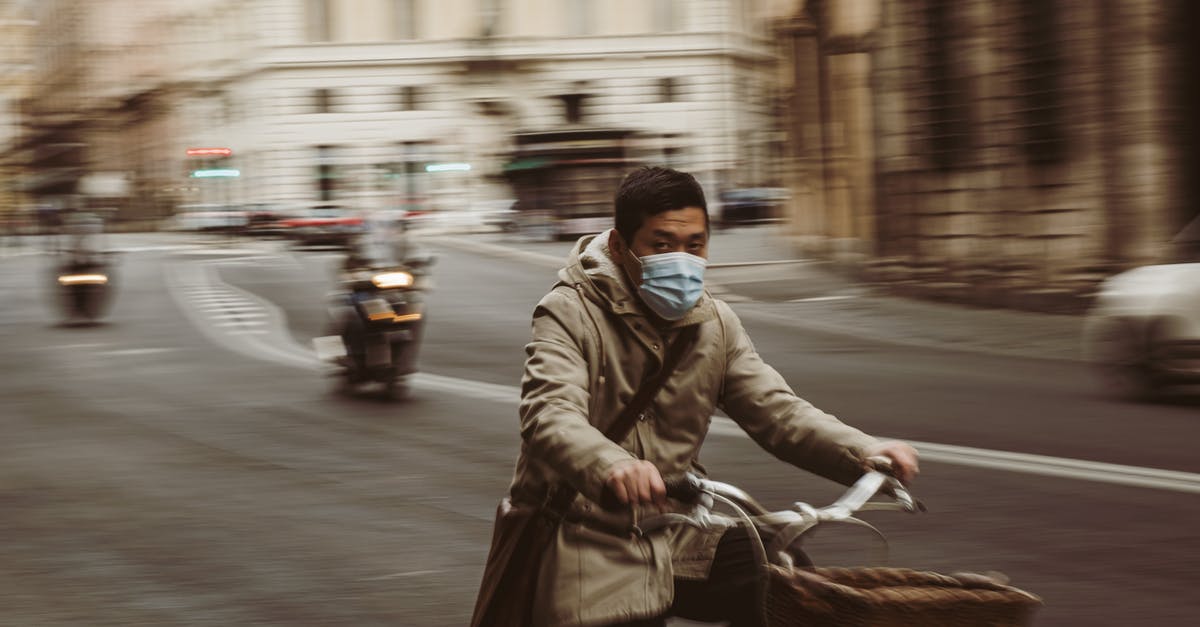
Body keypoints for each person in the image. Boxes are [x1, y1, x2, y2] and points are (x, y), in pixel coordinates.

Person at [493, 166, 919, 627]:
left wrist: (864, 451)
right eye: (661, 245)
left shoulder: (715, 323)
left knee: (784, 581)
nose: (681, 259)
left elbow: (776, 410)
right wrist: (611, 465)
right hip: (585, 537)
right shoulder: (569, 311)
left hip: (677, 531)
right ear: (619, 246)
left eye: (695, 245)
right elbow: (550, 414)